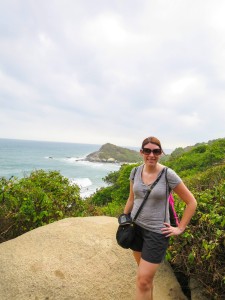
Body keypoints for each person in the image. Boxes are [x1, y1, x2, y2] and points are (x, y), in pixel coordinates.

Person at [123, 136, 197, 300]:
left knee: (142, 281)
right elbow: (131, 198)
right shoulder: (135, 171)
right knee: (145, 281)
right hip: (136, 228)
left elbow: (191, 202)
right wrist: (123, 220)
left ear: (161, 153)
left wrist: (180, 228)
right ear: (141, 152)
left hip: (156, 233)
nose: (151, 155)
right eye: (147, 151)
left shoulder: (167, 174)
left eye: (156, 151)